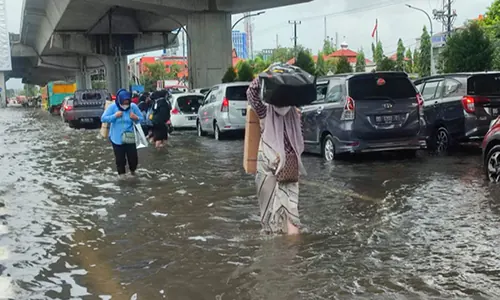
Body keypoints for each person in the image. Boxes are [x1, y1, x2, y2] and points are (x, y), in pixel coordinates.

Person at [246, 64, 306, 235]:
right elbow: (301, 139)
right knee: (291, 209)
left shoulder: (265, 110)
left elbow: (251, 92)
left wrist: (268, 73)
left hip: (269, 159)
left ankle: (274, 243)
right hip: (291, 163)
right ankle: (293, 249)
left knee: (269, 208)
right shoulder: (295, 113)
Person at [101, 89, 143, 177]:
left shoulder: (133, 107)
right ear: (119, 100)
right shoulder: (113, 107)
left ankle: (133, 173)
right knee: (120, 161)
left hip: (130, 137)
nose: (125, 105)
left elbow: (142, 119)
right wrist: (114, 116)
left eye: (127, 102)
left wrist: (135, 117)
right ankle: (122, 178)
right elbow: (103, 118)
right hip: (116, 139)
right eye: (123, 102)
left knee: (133, 160)